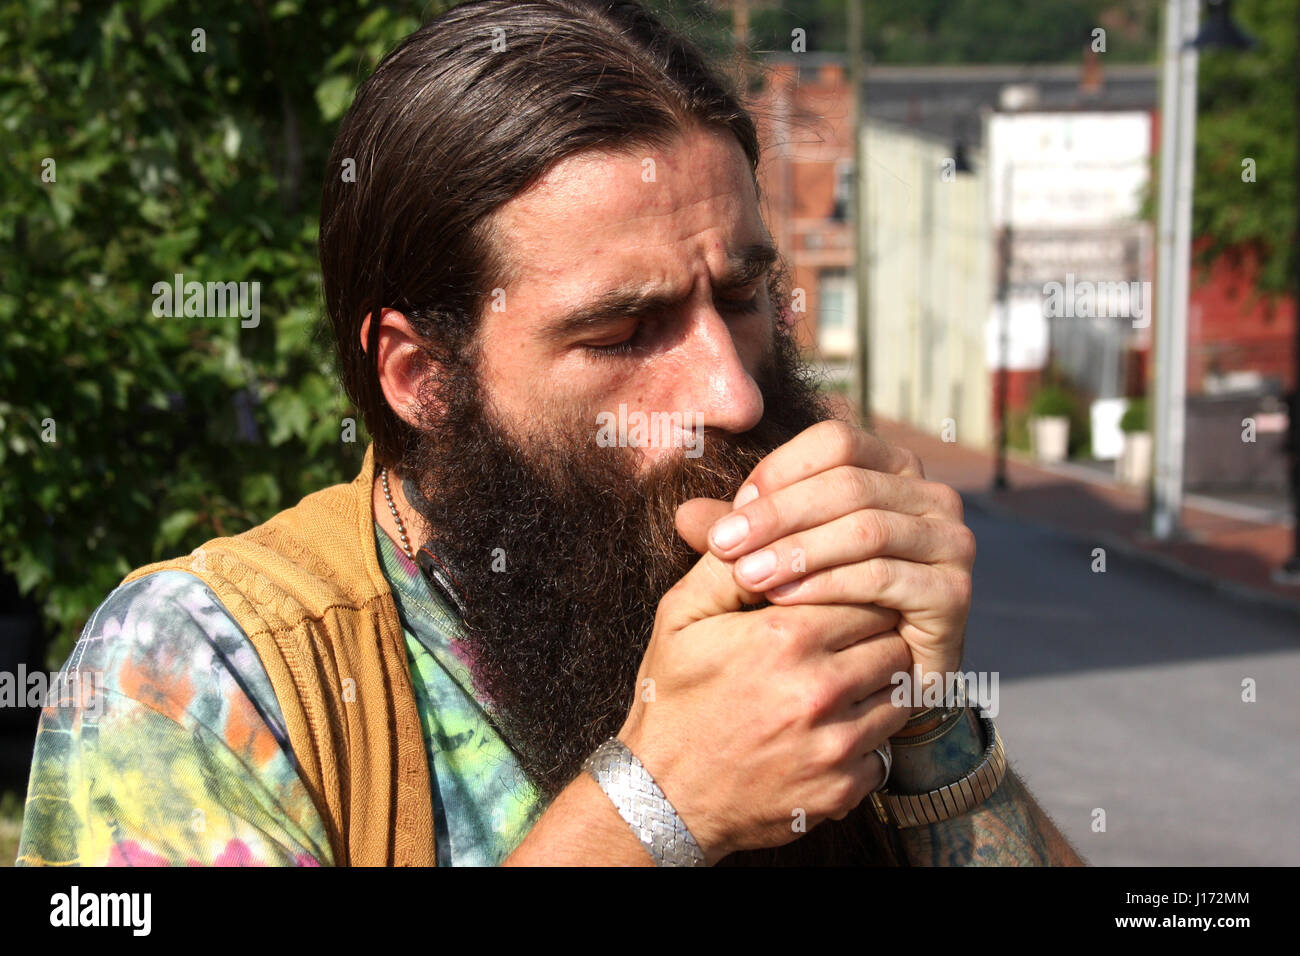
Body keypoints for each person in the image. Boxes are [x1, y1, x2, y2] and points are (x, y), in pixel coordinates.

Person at [16, 0, 1082, 867]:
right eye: (624, 330)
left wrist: (931, 731)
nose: (733, 392)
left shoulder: (784, 607)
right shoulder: (203, 671)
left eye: (744, 297)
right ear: (422, 378)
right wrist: (655, 807)